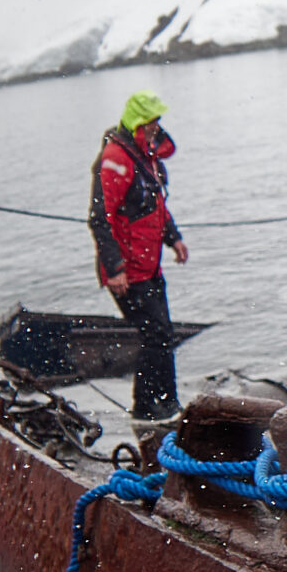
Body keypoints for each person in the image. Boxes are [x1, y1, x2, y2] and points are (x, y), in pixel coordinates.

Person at [89, 91, 188, 419]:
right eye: (152, 123)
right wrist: (114, 267)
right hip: (128, 271)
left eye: (158, 122)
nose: (157, 128)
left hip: (148, 265)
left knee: (163, 334)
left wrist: (173, 239)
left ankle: (169, 403)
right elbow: (100, 217)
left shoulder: (145, 157)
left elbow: (155, 206)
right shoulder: (116, 158)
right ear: (138, 124)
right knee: (155, 334)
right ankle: (146, 409)